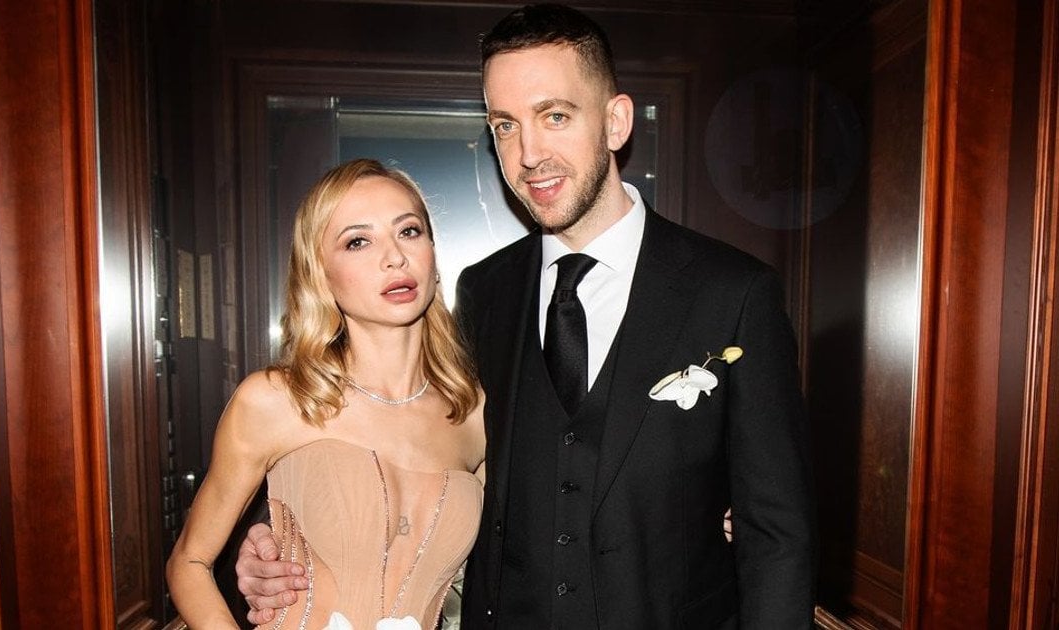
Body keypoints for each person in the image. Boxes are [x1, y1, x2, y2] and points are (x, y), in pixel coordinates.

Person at [237, 4, 816, 628]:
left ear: (616, 122)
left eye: (555, 116)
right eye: (505, 125)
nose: (529, 153)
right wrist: (278, 535)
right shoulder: (484, 291)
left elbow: (777, 534)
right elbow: (408, 445)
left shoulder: (733, 294)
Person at [167, 158, 486, 630]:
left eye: (409, 231)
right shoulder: (277, 400)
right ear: (321, 275)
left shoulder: (473, 414)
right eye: (358, 241)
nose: (394, 257)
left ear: (433, 256)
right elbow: (189, 563)